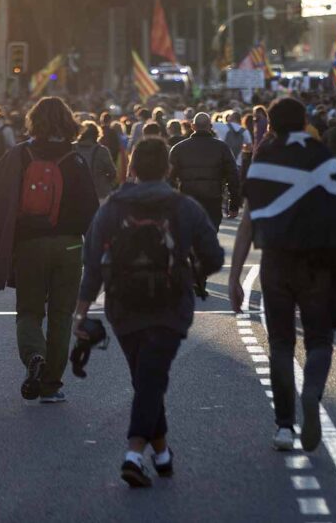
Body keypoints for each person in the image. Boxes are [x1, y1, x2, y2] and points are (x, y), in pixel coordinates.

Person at [74, 138, 224, 487]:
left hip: (123, 305)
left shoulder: (112, 207)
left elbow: (92, 261)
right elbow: (215, 256)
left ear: (133, 168)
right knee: (150, 380)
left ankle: (162, 454)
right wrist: (191, 270)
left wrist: (81, 310)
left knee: (145, 378)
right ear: (169, 170)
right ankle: (134, 453)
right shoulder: (184, 207)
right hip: (170, 306)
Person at [228, 97, 336, 453]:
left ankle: (285, 426)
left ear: (270, 125)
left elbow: (247, 221)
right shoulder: (322, 156)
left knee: (280, 345)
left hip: (276, 263)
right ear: (305, 122)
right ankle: (312, 394)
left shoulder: (262, 160)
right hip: (319, 264)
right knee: (319, 341)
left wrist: (235, 277)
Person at [0, 97, 99, 403]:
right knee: (61, 315)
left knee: (29, 310)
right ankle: (51, 385)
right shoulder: (75, 159)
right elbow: (91, 209)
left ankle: (34, 354)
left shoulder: (19, 155)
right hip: (70, 245)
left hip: (29, 244)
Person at [168, 113, 241, 229]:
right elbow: (233, 176)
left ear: (193, 126)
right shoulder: (222, 148)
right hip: (213, 199)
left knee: (189, 237)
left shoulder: (178, 149)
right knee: (209, 236)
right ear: (210, 126)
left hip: (188, 199)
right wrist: (234, 205)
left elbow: (169, 178)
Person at [74, 121, 118, 202]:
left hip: (77, 194)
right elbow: (112, 172)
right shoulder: (101, 150)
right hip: (99, 192)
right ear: (97, 134)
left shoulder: (72, 148)